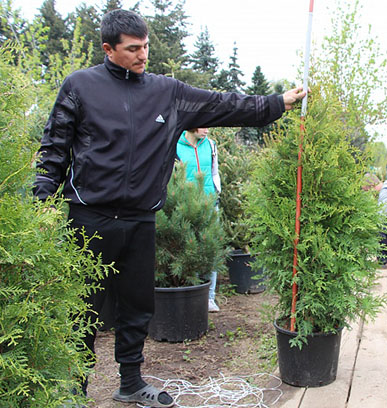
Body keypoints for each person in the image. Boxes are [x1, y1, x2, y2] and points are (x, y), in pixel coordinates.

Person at [33, 9, 306, 408]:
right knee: (83, 308)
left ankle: (130, 382)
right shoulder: (80, 86)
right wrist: (42, 199)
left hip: (141, 219)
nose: (143, 55)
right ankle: (75, 389)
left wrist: (275, 102)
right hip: (89, 218)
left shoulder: (168, 92)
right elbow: (55, 146)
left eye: (146, 46)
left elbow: (224, 105)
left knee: (137, 305)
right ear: (108, 49)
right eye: (133, 49)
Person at [176, 127, 221, 312]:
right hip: (185, 204)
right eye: (203, 126)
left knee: (211, 248)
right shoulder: (174, 146)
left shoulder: (211, 145)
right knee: (189, 249)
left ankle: (210, 298)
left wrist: (217, 192)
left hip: (210, 203)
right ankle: (192, 295)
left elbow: (214, 171)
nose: (207, 130)